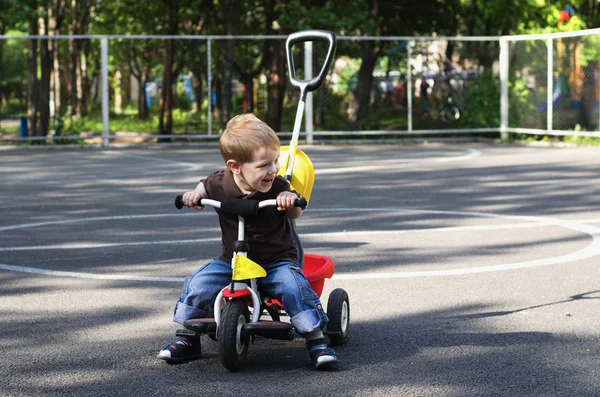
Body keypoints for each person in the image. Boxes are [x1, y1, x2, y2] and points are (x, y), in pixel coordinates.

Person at [157, 113, 338, 370]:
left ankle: (316, 338)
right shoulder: (219, 183)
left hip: (275, 260)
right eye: (264, 165)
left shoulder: (277, 186)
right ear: (235, 166)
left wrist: (288, 201)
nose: (273, 170)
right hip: (232, 260)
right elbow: (204, 186)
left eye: (275, 161)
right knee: (200, 283)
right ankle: (188, 337)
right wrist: (195, 195)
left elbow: (295, 209)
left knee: (292, 287)